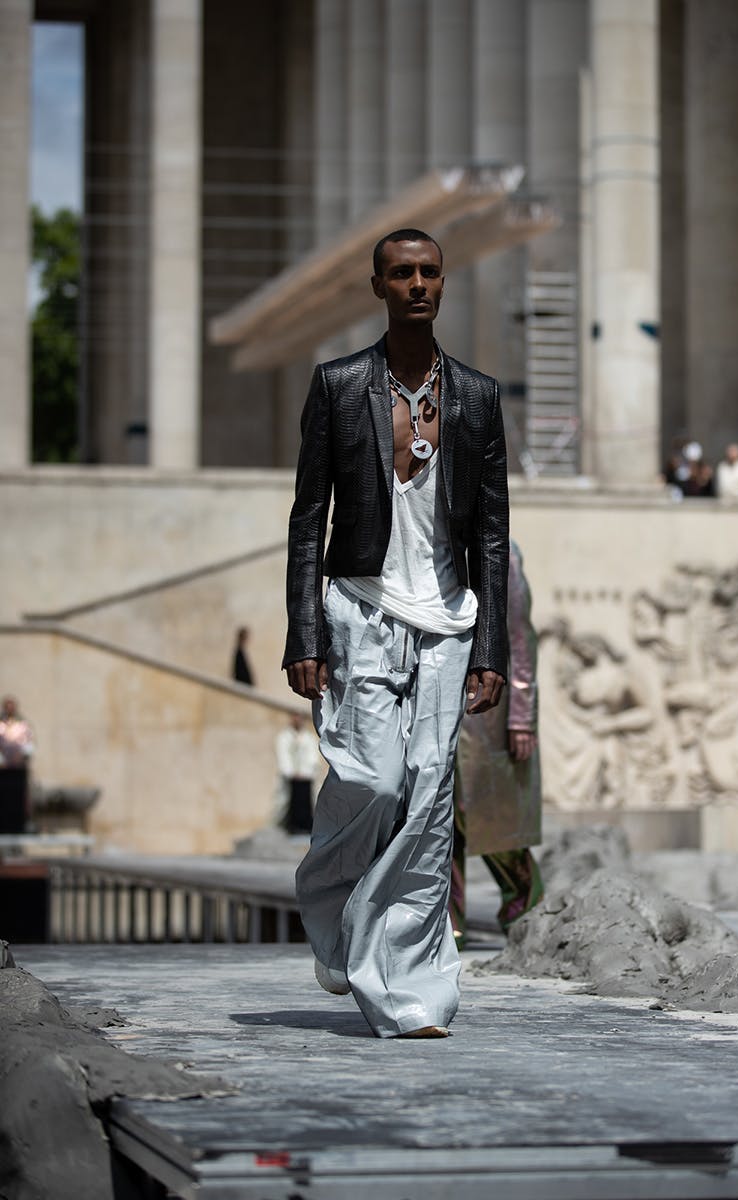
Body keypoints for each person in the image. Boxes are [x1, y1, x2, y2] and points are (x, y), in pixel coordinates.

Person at [283, 228, 509, 1039]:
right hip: (361, 610)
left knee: (428, 802)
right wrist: (302, 633)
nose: (417, 284)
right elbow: (309, 517)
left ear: (444, 285)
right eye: (401, 273)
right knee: (373, 783)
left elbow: (491, 532)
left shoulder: (478, 397)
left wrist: (491, 649)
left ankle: (413, 994)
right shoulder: (341, 385)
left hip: (450, 621)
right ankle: (334, 911)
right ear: (377, 287)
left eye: (429, 272)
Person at [449, 541, 543, 948]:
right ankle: (446, 922)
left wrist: (523, 716)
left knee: (493, 817)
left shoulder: (500, 552)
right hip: (437, 699)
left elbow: (520, 638)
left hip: (491, 707)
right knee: (439, 815)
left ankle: (524, 909)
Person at [275, 713, 318, 834]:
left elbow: (312, 756)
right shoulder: (285, 736)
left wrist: (306, 772)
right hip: (291, 779)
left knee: (306, 804)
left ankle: (305, 827)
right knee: (287, 803)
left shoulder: (308, 737)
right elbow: (283, 755)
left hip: (306, 779)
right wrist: (290, 772)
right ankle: (289, 827)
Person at [0, 696, 35, 835]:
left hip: (18, 770)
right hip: (2, 770)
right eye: (7, 706)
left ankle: (18, 825)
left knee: (17, 799)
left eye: (12, 706)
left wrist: (24, 755)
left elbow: (28, 744)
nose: (10, 709)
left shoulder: (23, 725)